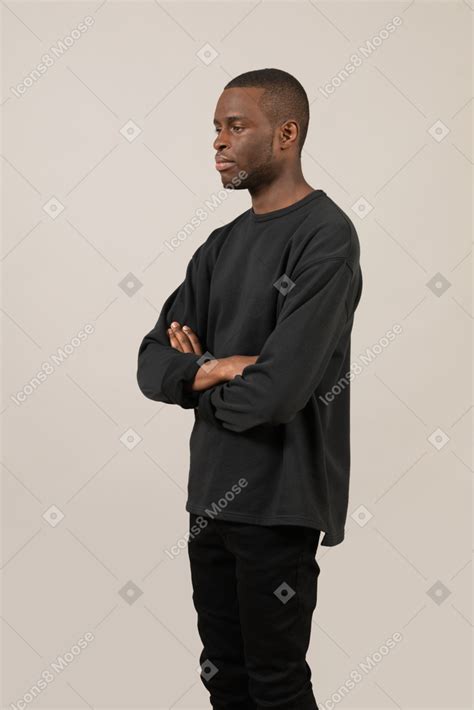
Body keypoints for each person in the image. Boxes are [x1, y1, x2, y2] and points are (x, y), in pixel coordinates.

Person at [137, 68, 363, 710]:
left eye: (236, 126)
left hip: (279, 501)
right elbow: (152, 362)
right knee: (224, 681)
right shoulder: (219, 247)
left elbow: (276, 394)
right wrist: (217, 366)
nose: (218, 141)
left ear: (286, 134)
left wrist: (197, 376)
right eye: (215, 127)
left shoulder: (326, 236)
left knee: (275, 684)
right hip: (209, 498)